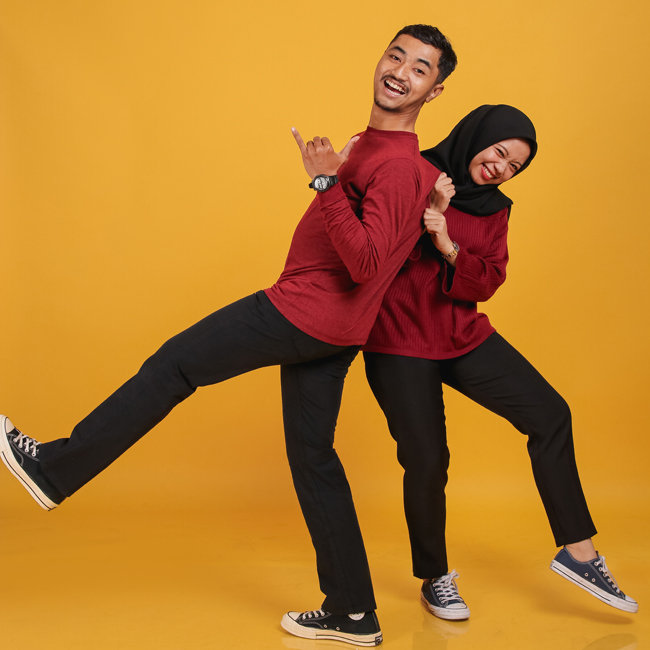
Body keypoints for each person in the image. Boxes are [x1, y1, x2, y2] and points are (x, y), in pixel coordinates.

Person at [0, 24, 458, 648]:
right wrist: (347, 179)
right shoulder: (383, 151)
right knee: (314, 459)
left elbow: (367, 264)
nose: (400, 71)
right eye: (396, 55)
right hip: (335, 327)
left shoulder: (400, 165)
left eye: (420, 68)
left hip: (305, 312)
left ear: (434, 91)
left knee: (175, 365)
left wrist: (325, 182)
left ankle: (52, 470)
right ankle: (354, 612)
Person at [361, 104, 638, 621]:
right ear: (477, 136)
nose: (501, 168)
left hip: (461, 333)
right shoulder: (412, 171)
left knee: (550, 414)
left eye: (514, 166)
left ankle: (579, 554)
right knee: (427, 460)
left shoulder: (496, 208)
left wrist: (446, 242)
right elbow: (368, 248)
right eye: (499, 152)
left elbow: (488, 279)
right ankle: (435, 578)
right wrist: (427, 208)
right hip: (398, 339)